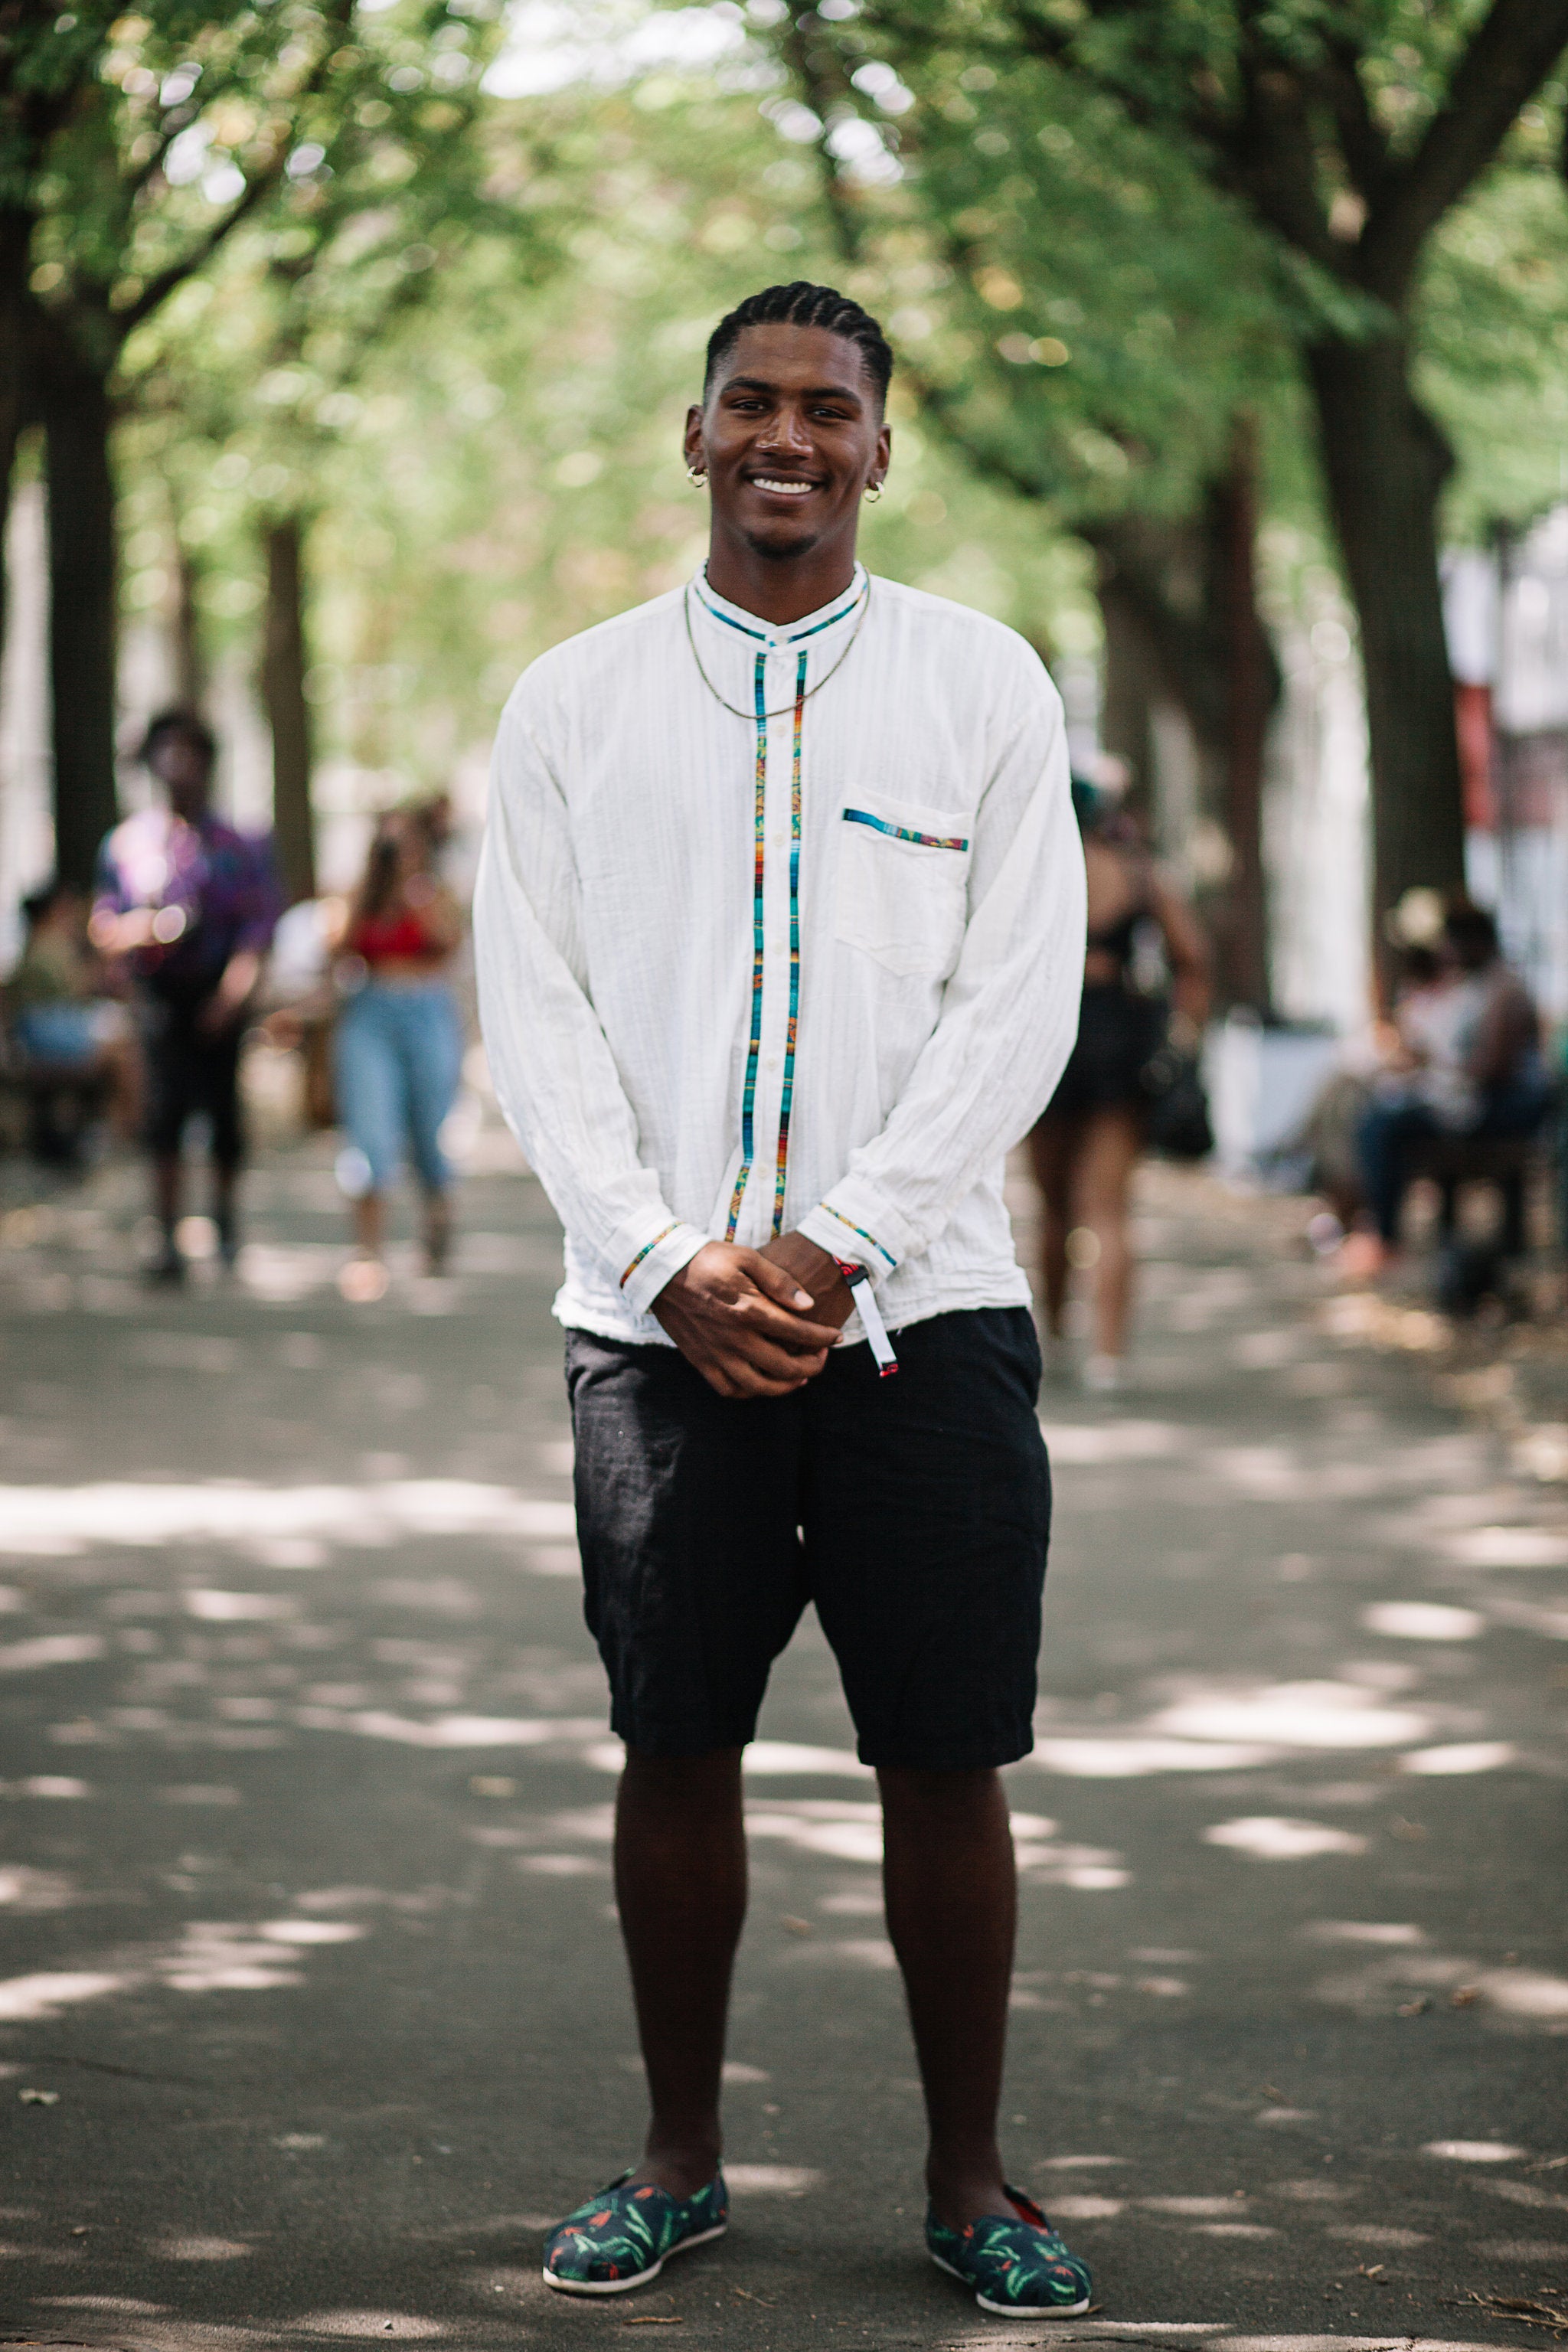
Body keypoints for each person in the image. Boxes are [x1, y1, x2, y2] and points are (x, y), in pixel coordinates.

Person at [475, 282, 1091, 2320]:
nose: (789, 438)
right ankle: (675, 2160)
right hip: (654, 1334)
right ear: (695, 432)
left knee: (948, 1754)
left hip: (930, 1323)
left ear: (879, 450)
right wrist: (669, 1259)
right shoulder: (573, 702)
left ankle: (973, 2178)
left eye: (830, 410)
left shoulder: (982, 687)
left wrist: (839, 1241)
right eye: (753, 401)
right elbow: (536, 1013)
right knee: (675, 1744)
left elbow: (1019, 1005)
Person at [1029, 779, 1209, 1391]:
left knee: (1052, 1207)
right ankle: (1109, 1356)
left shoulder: (1032, 872)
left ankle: (1053, 1338)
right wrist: (1183, 1040)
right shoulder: (1137, 874)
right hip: (1120, 1042)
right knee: (1109, 1212)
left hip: (1048, 1040)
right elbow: (1194, 957)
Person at [91, 710, 279, 1281]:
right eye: (167, 753)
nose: (179, 766)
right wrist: (144, 933)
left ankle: (224, 1223)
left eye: (190, 753)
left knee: (224, 1116)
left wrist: (232, 995)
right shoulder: (128, 844)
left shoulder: (241, 844)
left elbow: (258, 927)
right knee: (163, 1118)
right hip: (159, 998)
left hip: (220, 994)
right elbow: (104, 927)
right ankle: (167, 1235)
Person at [1347, 899, 1550, 1276]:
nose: (1446, 951)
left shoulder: (1503, 989)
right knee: (1371, 1110)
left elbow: (1491, 1071)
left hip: (1500, 1111)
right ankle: (1373, 1228)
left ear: (1475, 942)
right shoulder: (1475, 986)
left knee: (1382, 1125)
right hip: (1475, 1102)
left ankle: (1385, 1238)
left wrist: (1435, 1071)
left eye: (1452, 942)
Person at [330, 805, 466, 1299]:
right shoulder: (363, 893)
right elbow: (339, 948)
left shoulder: (435, 891)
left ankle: (436, 1227)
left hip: (427, 1010)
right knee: (370, 1128)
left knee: (430, 1127)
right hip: (371, 1011)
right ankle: (367, 1252)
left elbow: (450, 943)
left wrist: (417, 892)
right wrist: (373, 889)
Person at [4, 879, 139, 1155]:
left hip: (49, 1029)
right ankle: (125, 1132)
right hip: (43, 1033)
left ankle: (119, 1130)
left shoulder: (45, 944)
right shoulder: (47, 947)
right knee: (121, 1051)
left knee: (121, 1042)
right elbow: (73, 994)